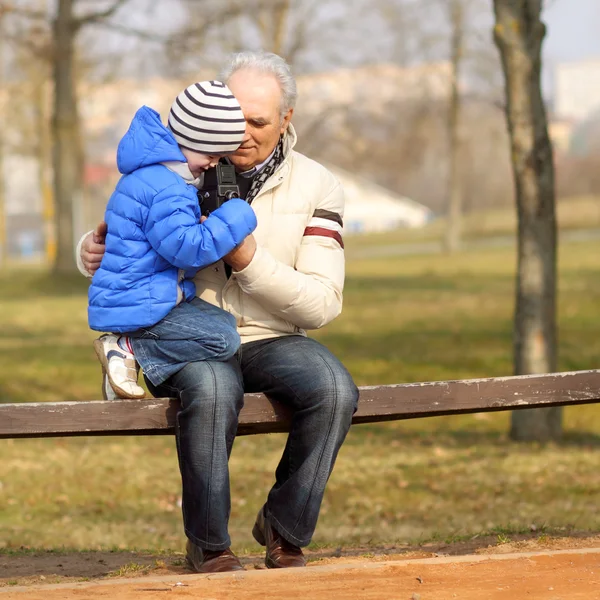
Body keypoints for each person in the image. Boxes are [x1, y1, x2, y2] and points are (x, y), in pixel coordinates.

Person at [77, 51, 359, 573]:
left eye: (259, 122)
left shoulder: (318, 186)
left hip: (272, 336)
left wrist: (248, 260)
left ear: (286, 120)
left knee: (335, 388)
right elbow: (130, 227)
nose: (244, 134)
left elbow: (322, 303)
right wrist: (88, 249)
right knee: (212, 388)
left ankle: (285, 525)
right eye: (236, 119)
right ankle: (209, 545)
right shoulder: (183, 169)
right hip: (189, 334)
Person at [89, 80, 257, 400]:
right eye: (211, 153)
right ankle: (125, 347)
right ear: (188, 141)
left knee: (222, 322)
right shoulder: (168, 188)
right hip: (139, 302)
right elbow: (187, 249)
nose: (213, 164)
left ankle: (124, 361)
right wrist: (239, 214)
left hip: (142, 294)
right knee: (224, 339)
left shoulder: (152, 174)